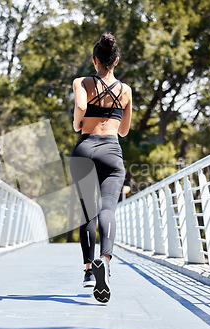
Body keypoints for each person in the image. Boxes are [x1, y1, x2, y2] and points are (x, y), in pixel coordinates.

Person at [70, 32, 132, 303]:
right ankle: (104, 260)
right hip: (111, 150)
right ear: (115, 61)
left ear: (94, 60)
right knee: (108, 207)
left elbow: (81, 109)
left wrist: (78, 122)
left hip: (85, 147)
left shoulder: (81, 82)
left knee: (88, 211)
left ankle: (87, 270)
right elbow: (125, 130)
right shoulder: (126, 90)